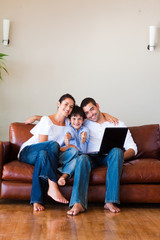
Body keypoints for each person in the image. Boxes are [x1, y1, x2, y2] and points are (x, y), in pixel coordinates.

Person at [67, 97, 137, 216]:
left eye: (92, 109)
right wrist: (38, 118)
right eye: (87, 113)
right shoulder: (84, 122)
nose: (91, 114)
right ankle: (78, 203)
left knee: (116, 151)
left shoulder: (117, 124)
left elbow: (133, 148)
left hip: (110, 157)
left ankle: (110, 201)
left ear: (98, 106)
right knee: (82, 158)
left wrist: (118, 158)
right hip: (91, 158)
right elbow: (67, 117)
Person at [18, 93, 80, 212]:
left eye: (71, 107)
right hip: (28, 151)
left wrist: (106, 115)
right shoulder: (47, 120)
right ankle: (52, 185)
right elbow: (43, 144)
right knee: (51, 145)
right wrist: (62, 148)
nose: (68, 108)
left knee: (63, 152)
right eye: (66, 104)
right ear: (58, 104)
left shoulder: (68, 123)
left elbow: (84, 118)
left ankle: (37, 201)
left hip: (45, 155)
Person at [58, 105, 89, 186]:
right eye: (74, 119)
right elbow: (69, 133)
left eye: (79, 119)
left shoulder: (85, 129)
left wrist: (83, 137)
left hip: (77, 157)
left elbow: (84, 135)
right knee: (74, 150)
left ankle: (63, 177)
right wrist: (67, 137)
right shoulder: (68, 128)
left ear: (83, 120)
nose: (76, 121)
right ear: (69, 120)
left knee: (76, 161)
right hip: (67, 155)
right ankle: (58, 164)